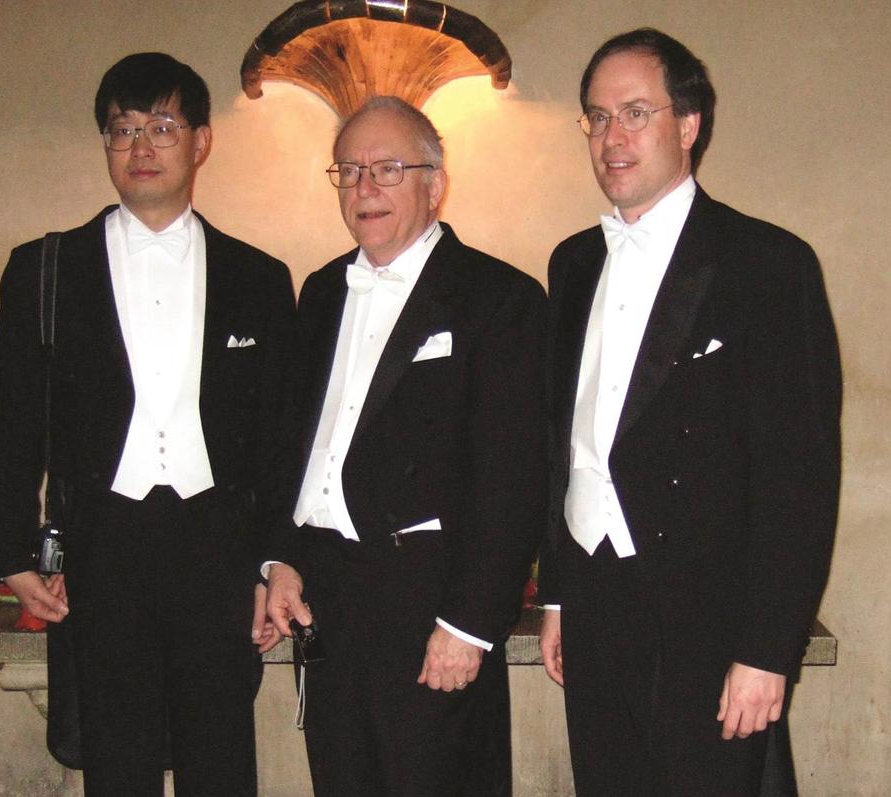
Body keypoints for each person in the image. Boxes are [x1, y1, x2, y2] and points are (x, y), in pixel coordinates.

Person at [538, 28, 842, 796]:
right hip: (597, 601)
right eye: (597, 117)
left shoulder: (768, 265)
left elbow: (798, 476)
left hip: (709, 620)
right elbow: (568, 444)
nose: (613, 137)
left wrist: (768, 648)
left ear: (687, 125)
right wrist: (559, 593)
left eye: (636, 113)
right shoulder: (573, 263)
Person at [0, 52, 294, 796]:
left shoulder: (258, 277)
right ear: (106, 146)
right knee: (115, 763)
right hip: (103, 545)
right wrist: (11, 549)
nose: (143, 147)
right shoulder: (44, 270)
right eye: (123, 130)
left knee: (221, 762)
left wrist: (273, 558)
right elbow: (13, 417)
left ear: (200, 141)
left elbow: (280, 436)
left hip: (216, 546)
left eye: (162, 126)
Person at [257, 95, 547, 796]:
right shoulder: (323, 289)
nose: (365, 187)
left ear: (434, 183)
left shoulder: (499, 297)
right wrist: (283, 557)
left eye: (387, 168)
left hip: (429, 604)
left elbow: (512, 477)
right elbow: (300, 441)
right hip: (330, 600)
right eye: (349, 170)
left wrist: (470, 622)